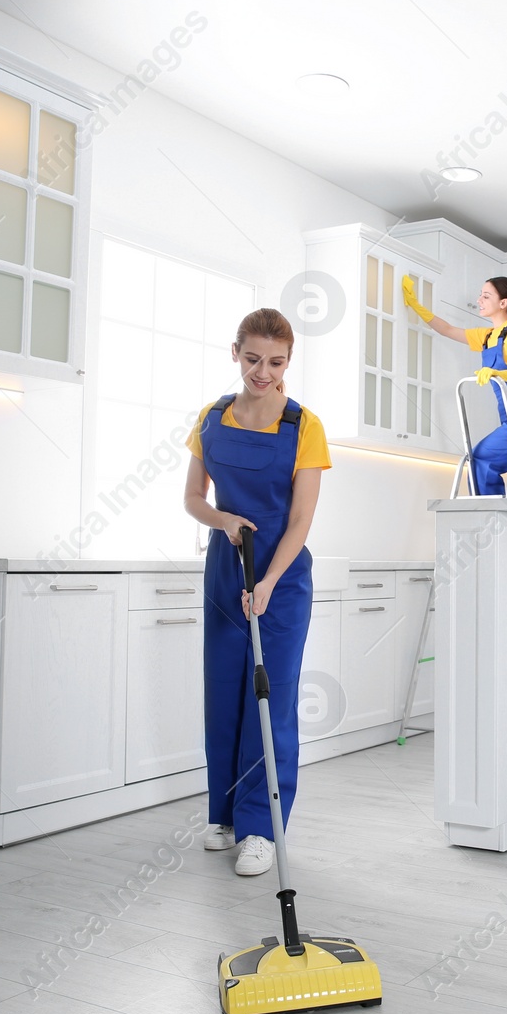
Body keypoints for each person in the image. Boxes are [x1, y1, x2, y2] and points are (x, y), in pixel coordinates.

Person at [183, 308, 330, 876]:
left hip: (282, 577)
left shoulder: (302, 426)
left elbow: (300, 520)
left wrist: (268, 582)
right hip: (226, 567)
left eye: (275, 362)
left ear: (288, 361)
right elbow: (193, 498)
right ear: (235, 352)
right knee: (223, 693)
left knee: (269, 701)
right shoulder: (212, 417)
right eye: (252, 359)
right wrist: (221, 521)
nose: (262, 372)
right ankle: (222, 815)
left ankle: (261, 829)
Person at [402, 274, 507, 497]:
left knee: (481, 458)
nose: (479, 300)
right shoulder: (486, 336)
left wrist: (498, 373)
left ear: (503, 303)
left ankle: (488, 516)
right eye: (480, 296)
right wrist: (416, 305)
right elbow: (447, 329)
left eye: (486, 296)